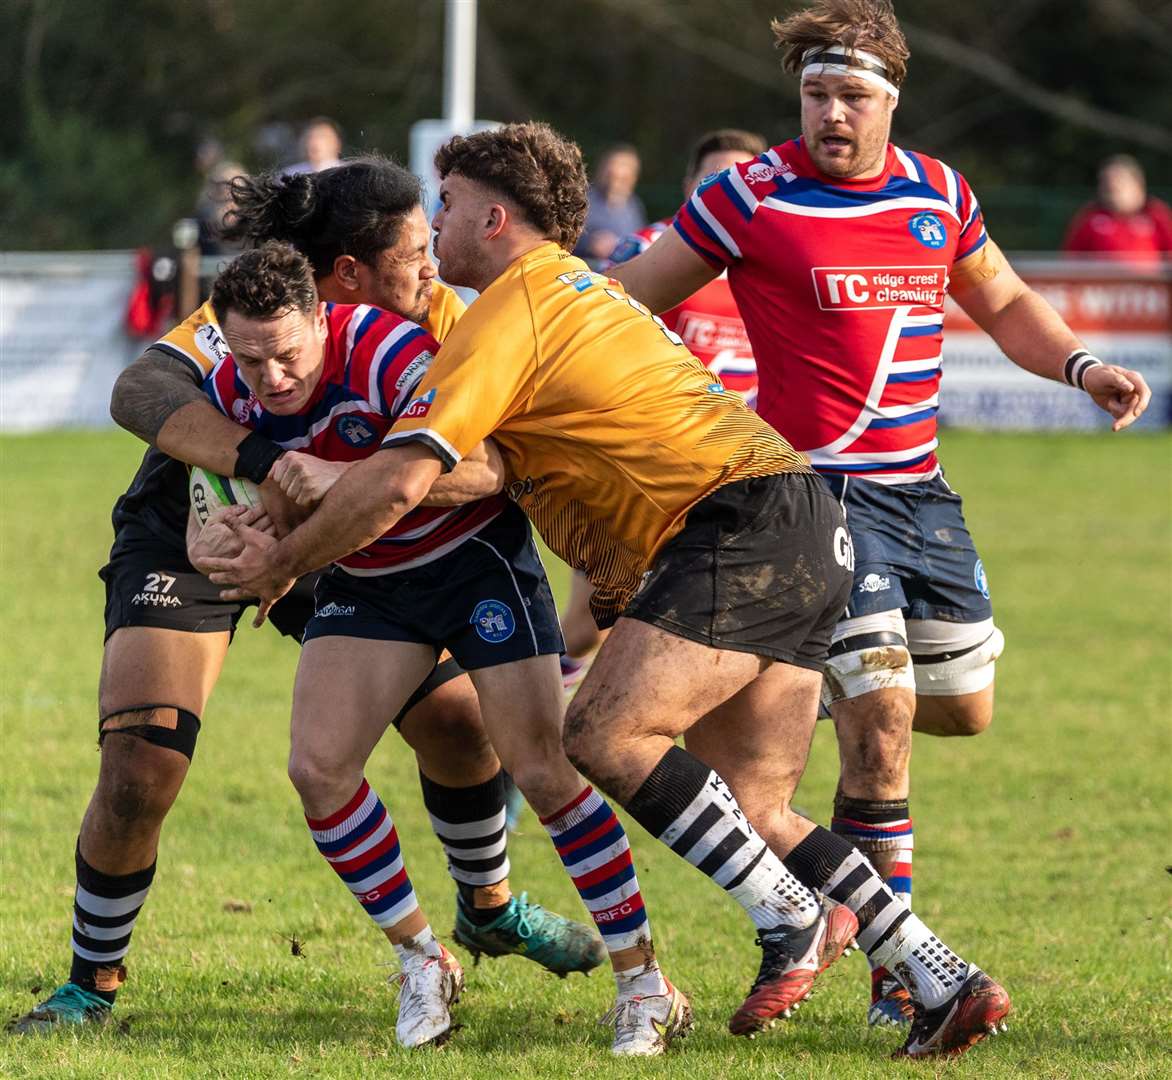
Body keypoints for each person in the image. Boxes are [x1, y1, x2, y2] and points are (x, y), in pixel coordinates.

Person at [201, 120, 1010, 1060]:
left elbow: (405, 479)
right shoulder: (576, 288)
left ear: (494, 217)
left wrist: (279, 563)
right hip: (799, 521)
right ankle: (943, 977)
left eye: (448, 208)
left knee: (600, 735)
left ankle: (788, 914)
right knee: (758, 805)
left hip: (733, 525)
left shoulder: (514, 306)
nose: (435, 232)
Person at [609, 0, 1150, 1034]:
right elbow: (629, 296)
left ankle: (795, 676)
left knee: (960, 711)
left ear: (889, 101)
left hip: (924, 502)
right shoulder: (750, 195)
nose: (828, 113)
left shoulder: (936, 193)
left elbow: (1001, 304)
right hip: (816, 502)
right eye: (813, 93)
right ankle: (898, 981)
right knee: (884, 733)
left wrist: (1080, 365)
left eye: (850, 95)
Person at [7, 159, 601, 1039]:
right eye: (411, 247)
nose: (432, 259)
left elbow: (483, 462)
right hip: (197, 530)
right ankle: (92, 983)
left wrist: (320, 502)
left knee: (460, 724)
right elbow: (139, 389)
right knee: (144, 759)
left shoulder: (431, 318)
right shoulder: (252, 319)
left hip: (345, 525)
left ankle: (489, 908)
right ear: (349, 275)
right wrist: (263, 469)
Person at [196, 242, 680, 1054]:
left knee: (544, 770)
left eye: (285, 355)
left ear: (322, 317)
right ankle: (423, 961)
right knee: (318, 769)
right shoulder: (227, 392)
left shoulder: (393, 353)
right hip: (369, 582)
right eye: (250, 362)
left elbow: (490, 469)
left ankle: (644, 983)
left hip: (473, 566)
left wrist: (340, 479)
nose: (270, 379)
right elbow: (212, 505)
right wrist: (225, 540)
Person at [560, 128, 768, 688]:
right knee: (588, 626)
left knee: (693, 630)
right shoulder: (648, 251)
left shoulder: (773, 263)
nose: (727, 189)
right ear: (688, 186)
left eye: (741, 179)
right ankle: (525, 717)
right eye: (713, 178)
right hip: (648, 466)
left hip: (746, 472)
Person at [1064, 154, 1172, 264]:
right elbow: (1072, 260)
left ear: (1137, 184)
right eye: (1105, 182)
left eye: (1119, 181)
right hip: (1104, 280)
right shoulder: (1089, 217)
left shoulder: (1157, 214)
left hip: (1146, 280)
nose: (1112, 186)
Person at [573, 143, 646, 268]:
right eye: (612, 176)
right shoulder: (582, 200)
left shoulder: (634, 206)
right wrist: (590, 243)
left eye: (623, 178)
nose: (616, 183)